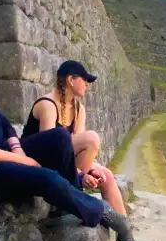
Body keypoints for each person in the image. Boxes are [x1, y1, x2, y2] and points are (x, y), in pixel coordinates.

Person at [0, 40, 138, 241]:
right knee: (46, 177)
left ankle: (70, 196)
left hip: (4, 155)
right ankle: (106, 214)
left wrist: (18, 150)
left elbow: (4, 124)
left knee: (60, 136)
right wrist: (22, 161)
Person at [22, 59, 129, 218]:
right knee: (92, 139)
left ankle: (123, 229)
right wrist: (81, 175)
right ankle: (73, 191)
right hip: (38, 161)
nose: (87, 84)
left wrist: (90, 171)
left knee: (105, 174)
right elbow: (50, 149)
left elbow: (77, 149)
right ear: (71, 80)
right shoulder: (48, 105)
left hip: (65, 163)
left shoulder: (79, 109)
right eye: (84, 79)